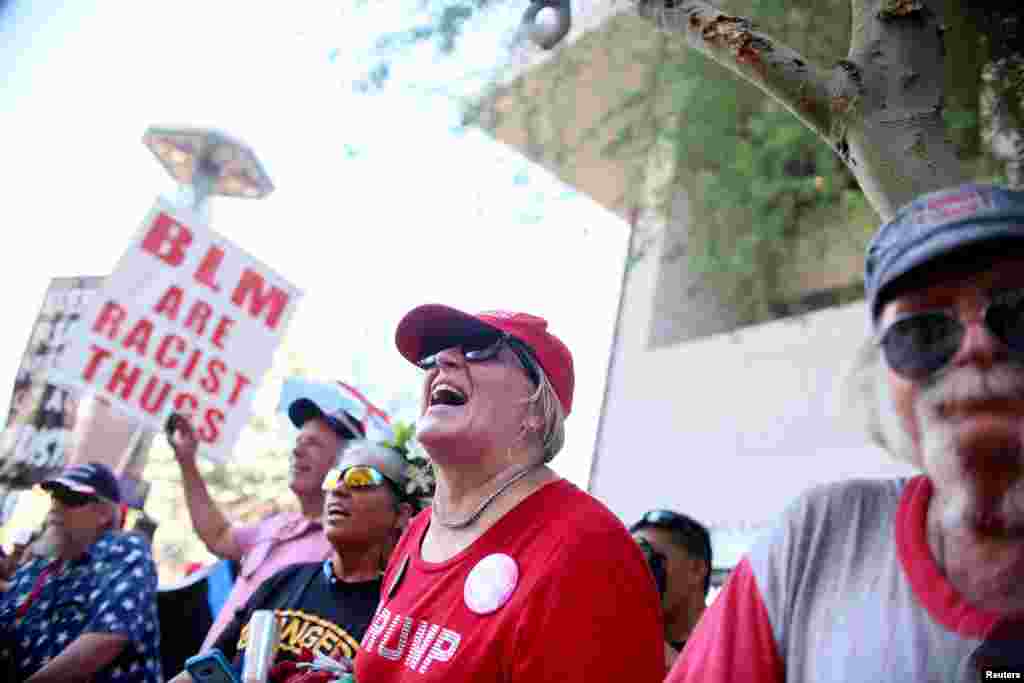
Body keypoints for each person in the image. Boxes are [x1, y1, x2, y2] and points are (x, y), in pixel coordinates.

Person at [668, 183, 1024, 682]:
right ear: (884, 383)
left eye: (1019, 313)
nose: (976, 346)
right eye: (922, 332)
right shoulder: (817, 541)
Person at [354, 306, 665, 682]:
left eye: (478, 348)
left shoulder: (588, 552)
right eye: (433, 355)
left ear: (536, 406)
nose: (445, 360)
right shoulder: (418, 530)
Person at [169, 439, 414, 682]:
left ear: (401, 514)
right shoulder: (285, 579)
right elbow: (203, 669)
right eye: (333, 479)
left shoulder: (394, 619)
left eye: (360, 479)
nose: (337, 490)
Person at [167, 398, 365, 650]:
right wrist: (187, 461)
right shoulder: (277, 524)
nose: (297, 451)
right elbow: (217, 536)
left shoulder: (350, 546)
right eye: (298, 442)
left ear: (347, 463)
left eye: (313, 443)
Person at [0, 462, 162, 682]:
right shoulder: (39, 565)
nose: (56, 506)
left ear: (104, 513)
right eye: (55, 496)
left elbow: (107, 638)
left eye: (71, 498)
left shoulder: (122, 549)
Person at [630, 509, 712, 667]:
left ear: (696, 569)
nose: (639, 571)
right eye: (634, 559)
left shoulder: (732, 641)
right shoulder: (620, 641)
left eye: (650, 559)